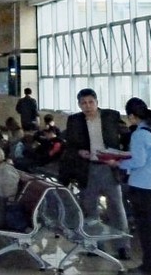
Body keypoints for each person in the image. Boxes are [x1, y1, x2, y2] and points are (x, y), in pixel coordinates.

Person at [59, 88, 131, 259]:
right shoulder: (75, 120)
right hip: (87, 168)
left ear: (97, 102)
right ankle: (96, 245)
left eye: (91, 102)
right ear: (79, 105)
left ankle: (122, 246)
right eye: (83, 103)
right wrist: (79, 152)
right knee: (90, 208)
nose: (88, 106)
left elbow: (126, 135)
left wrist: (122, 156)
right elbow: (70, 145)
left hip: (109, 167)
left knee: (116, 207)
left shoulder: (111, 116)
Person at [107, 99, 151, 275]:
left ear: (132, 116)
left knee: (147, 229)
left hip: (144, 186)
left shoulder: (139, 134)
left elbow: (138, 161)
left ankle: (149, 267)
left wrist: (118, 163)